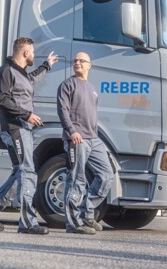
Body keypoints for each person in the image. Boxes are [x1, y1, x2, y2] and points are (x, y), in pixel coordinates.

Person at [0, 37, 58, 235]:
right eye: (32, 51)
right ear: (25, 52)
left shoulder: (20, 74)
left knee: (19, 172)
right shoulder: (5, 72)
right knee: (28, 171)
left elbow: (31, 80)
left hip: (23, 128)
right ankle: (27, 222)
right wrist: (27, 115)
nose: (33, 55)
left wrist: (46, 65)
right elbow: (1, 99)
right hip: (14, 128)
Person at [57, 52, 113, 235]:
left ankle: (87, 213)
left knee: (106, 175)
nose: (77, 63)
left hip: (93, 139)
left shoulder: (93, 89)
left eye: (82, 61)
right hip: (77, 138)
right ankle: (73, 224)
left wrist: (95, 136)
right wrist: (72, 131)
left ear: (90, 65)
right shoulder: (67, 85)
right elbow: (63, 110)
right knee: (76, 179)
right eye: (75, 60)